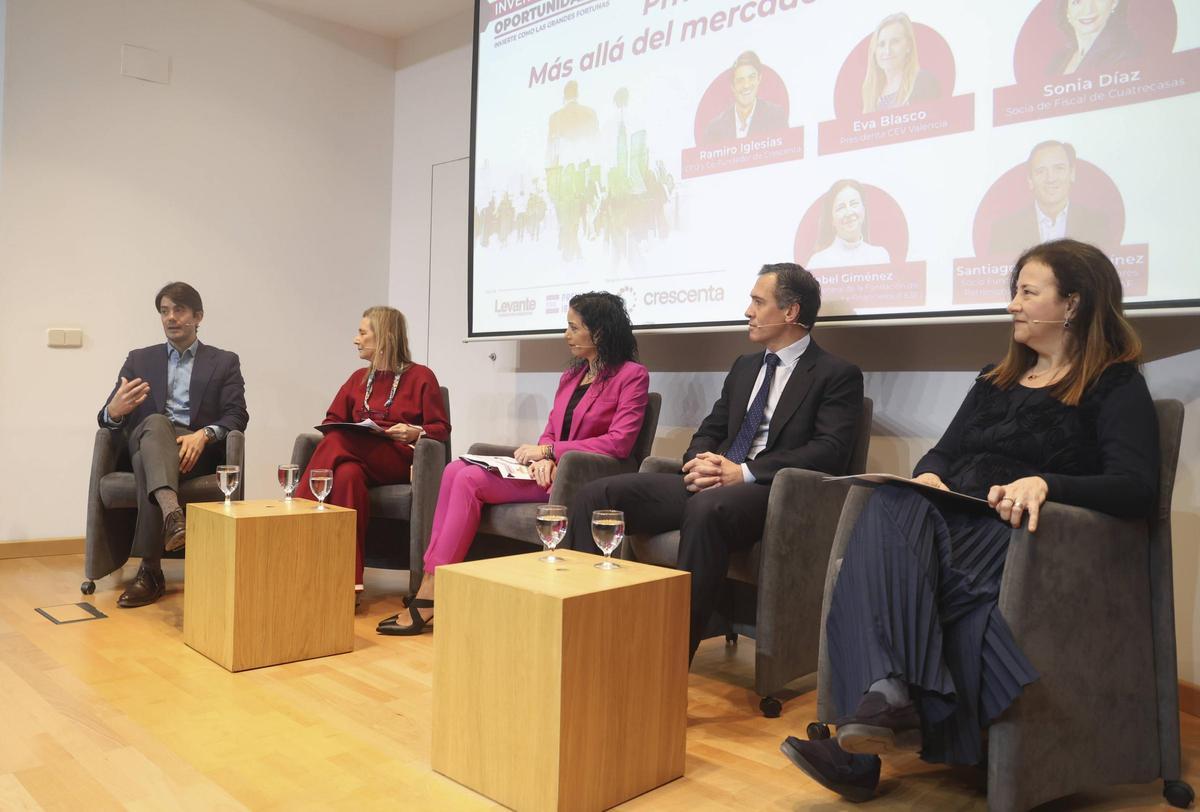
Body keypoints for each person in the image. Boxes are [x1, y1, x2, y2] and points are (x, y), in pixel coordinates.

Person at [780, 239, 1159, 801]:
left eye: (1027, 292)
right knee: (893, 499)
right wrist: (931, 475)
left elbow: (1136, 487)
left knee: (879, 558)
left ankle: (864, 746)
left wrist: (1047, 483)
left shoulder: (1113, 382)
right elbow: (942, 453)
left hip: (1020, 540)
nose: (1012, 305)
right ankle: (886, 702)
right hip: (949, 522)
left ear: (1073, 304)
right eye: (1014, 292)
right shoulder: (993, 379)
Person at [568, 265, 864, 660]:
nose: (748, 311)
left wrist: (743, 472)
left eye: (758, 302)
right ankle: (584, 633)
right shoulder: (745, 366)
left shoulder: (836, 374)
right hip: (714, 481)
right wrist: (699, 462)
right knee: (596, 496)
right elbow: (711, 428)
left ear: (791, 311)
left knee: (706, 509)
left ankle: (671, 658)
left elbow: (829, 451)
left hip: (771, 491)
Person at [378, 292, 649, 635]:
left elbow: (619, 442)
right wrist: (544, 455)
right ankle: (429, 581)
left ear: (599, 332)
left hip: (582, 478)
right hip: (551, 470)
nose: (566, 334)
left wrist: (552, 453)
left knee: (470, 481)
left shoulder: (632, 376)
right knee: (455, 469)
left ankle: (433, 592)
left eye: (574, 327)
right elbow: (552, 429)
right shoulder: (571, 376)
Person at [96, 282, 249, 608]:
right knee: (155, 423)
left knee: (146, 462)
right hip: (149, 437)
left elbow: (237, 415)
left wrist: (204, 435)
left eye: (179, 310)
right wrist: (114, 411)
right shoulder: (139, 359)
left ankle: (150, 572)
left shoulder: (224, 362)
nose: (170, 318)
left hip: (193, 451)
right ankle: (172, 515)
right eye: (164, 311)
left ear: (198, 316)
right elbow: (107, 416)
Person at [296, 306, 449, 593]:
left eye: (362, 333)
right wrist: (358, 430)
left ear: (385, 337)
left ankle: (295, 515)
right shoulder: (358, 378)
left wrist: (415, 431)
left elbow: (441, 428)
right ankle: (347, 585)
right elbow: (331, 420)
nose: (356, 339)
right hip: (358, 456)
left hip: (397, 458)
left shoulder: (421, 376)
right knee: (346, 476)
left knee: (337, 441)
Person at [987, 141, 1111, 257]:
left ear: (1072, 173)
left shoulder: (1097, 223)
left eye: (1059, 168)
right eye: (1041, 171)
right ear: (1030, 180)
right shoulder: (1005, 230)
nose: (1051, 178)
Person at [701, 50, 788, 146]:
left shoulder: (775, 117)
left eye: (751, 78)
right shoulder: (715, 128)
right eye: (740, 80)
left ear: (759, 79)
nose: (746, 85)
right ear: (732, 86)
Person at [861, 12, 942, 114]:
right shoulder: (872, 91)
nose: (887, 51)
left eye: (895, 42)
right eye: (881, 44)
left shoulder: (923, 81)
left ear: (908, 46)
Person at [807, 180, 892, 269]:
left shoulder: (880, 256)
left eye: (854, 204)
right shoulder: (818, 262)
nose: (849, 212)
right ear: (832, 219)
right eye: (841, 207)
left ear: (864, 209)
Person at [1049, 0, 1138, 76]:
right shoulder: (1058, 61)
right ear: (1066, 10)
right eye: (1077, 1)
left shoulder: (1124, 55)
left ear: (1114, 3)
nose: (1088, 10)